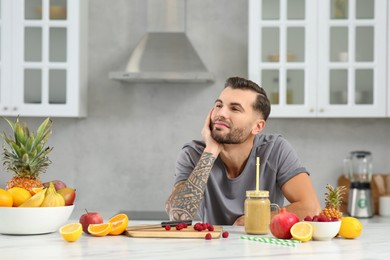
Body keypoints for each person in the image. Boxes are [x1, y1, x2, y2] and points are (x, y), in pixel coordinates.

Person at [165, 76, 321, 225]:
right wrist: (211, 150)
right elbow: (179, 216)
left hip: (262, 246)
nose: (221, 114)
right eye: (219, 105)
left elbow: (311, 208)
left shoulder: (275, 149)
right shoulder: (193, 154)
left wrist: (251, 220)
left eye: (235, 109)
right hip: (212, 246)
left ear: (257, 126)